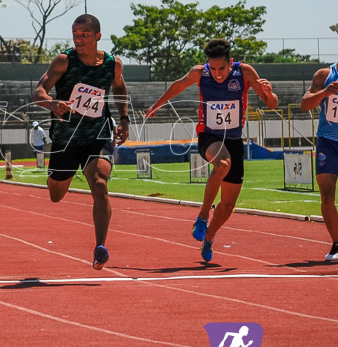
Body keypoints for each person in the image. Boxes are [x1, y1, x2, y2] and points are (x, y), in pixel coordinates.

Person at [145, 38, 278, 263]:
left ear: (231, 63)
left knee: (227, 206)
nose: (217, 73)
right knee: (222, 164)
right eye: (213, 68)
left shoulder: (244, 72)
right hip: (209, 135)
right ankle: (203, 215)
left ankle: (209, 236)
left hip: (234, 139)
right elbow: (178, 85)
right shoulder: (200, 73)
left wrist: (269, 92)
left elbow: (272, 104)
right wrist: (156, 105)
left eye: (222, 69)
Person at [33, 14, 129, 270]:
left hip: (97, 135)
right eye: (75, 34)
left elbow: (119, 88)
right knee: (56, 195)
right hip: (66, 138)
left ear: (98, 36)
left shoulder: (112, 64)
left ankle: (100, 247)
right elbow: (38, 92)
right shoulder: (65, 60)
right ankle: (59, 175)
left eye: (84, 34)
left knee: (99, 184)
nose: (79, 39)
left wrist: (124, 119)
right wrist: (51, 103)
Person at [299, 62, 338, 261]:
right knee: (327, 197)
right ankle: (337, 243)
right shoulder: (325, 75)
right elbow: (305, 105)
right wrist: (325, 91)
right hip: (328, 141)